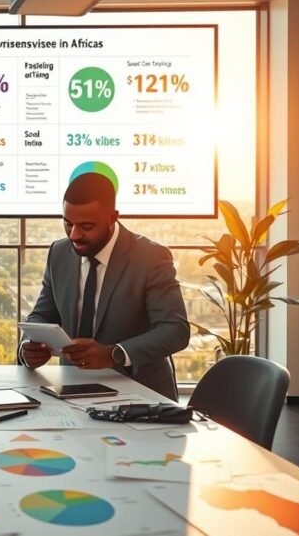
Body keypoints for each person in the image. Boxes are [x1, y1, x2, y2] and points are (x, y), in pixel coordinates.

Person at [18, 171, 190, 400]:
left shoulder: (151, 257)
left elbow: (176, 330)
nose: (75, 235)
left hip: (141, 397)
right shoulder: (58, 253)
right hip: (70, 392)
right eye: (68, 224)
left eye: (87, 226)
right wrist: (29, 347)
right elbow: (42, 315)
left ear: (112, 218)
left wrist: (114, 354)